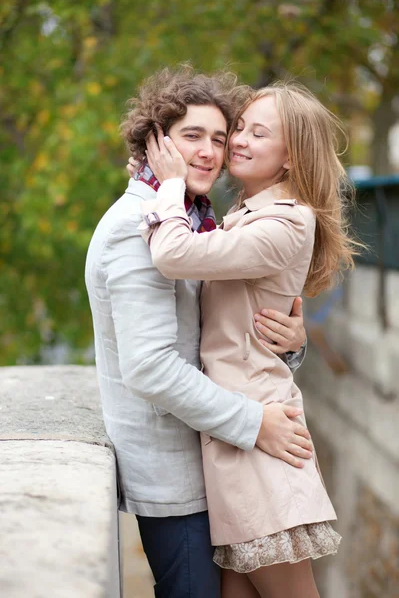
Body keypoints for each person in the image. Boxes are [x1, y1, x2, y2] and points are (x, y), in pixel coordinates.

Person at [85, 67, 310, 598]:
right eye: (191, 136)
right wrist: (256, 423)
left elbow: (220, 332)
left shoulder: (193, 219)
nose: (210, 151)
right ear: (154, 142)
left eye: (218, 137)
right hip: (178, 482)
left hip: (214, 465)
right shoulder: (136, 226)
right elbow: (151, 367)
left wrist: (291, 344)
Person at [138, 80, 359, 598]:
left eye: (259, 134)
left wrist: (167, 184)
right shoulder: (244, 213)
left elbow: (172, 254)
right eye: (241, 126)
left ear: (289, 158)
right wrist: (292, 341)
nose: (238, 140)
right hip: (238, 436)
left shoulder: (283, 223)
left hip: (262, 438)